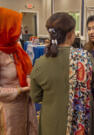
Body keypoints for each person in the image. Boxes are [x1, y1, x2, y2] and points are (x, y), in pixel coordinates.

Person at [30, 12, 94, 135]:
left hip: (52, 122)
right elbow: (93, 83)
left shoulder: (40, 63)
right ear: (70, 34)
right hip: (81, 122)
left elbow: (35, 96)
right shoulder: (85, 58)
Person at [0, 7, 38, 135]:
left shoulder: (16, 48)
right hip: (8, 109)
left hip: (25, 103)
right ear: (5, 28)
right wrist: (20, 90)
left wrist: (28, 80)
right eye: (16, 27)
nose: (20, 31)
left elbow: (26, 70)